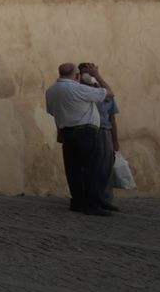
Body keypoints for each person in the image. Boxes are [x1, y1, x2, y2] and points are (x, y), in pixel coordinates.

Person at [44, 62, 114, 216]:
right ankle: (92, 205)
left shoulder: (50, 91)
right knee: (91, 169)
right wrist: (97, 76)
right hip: (86, 133)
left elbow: (53, 112)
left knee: (73, 170)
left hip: (67, 133)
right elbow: (109, 94)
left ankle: (77, 202)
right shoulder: (78, 88)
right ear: (76, 75)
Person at [80, 62, 121, 212]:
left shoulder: (103, 91)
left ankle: (105, 199)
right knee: (89, 168)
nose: (89, 75)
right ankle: (89, 200)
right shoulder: (79, 91)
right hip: (87, 131)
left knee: (106, 168)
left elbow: (112, 117)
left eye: (91, 72)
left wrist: (115, 139)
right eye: (85, 72)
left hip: (104, 131)